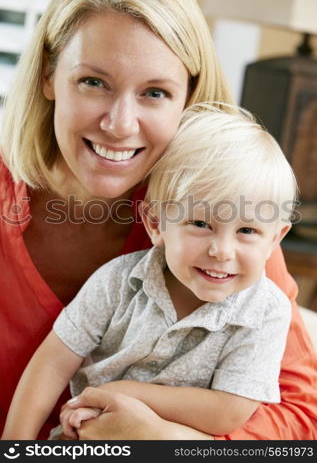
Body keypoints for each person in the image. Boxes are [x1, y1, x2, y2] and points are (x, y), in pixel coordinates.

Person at [0, 0, 316, 441]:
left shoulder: (221, 218)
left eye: (154, 92)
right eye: (93, 82)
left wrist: (161, 441)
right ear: (49, 75)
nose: (121, 124)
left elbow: (298, 422)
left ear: (186, 98)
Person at [2, 104, 295, 440]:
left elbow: (227, 412)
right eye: (200, 224)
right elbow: (53, 363)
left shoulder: (265, 311)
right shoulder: (117, 281)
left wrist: (125, 393)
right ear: (156, 224)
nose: (222, 251)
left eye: (247, 231)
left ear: (275, 239)